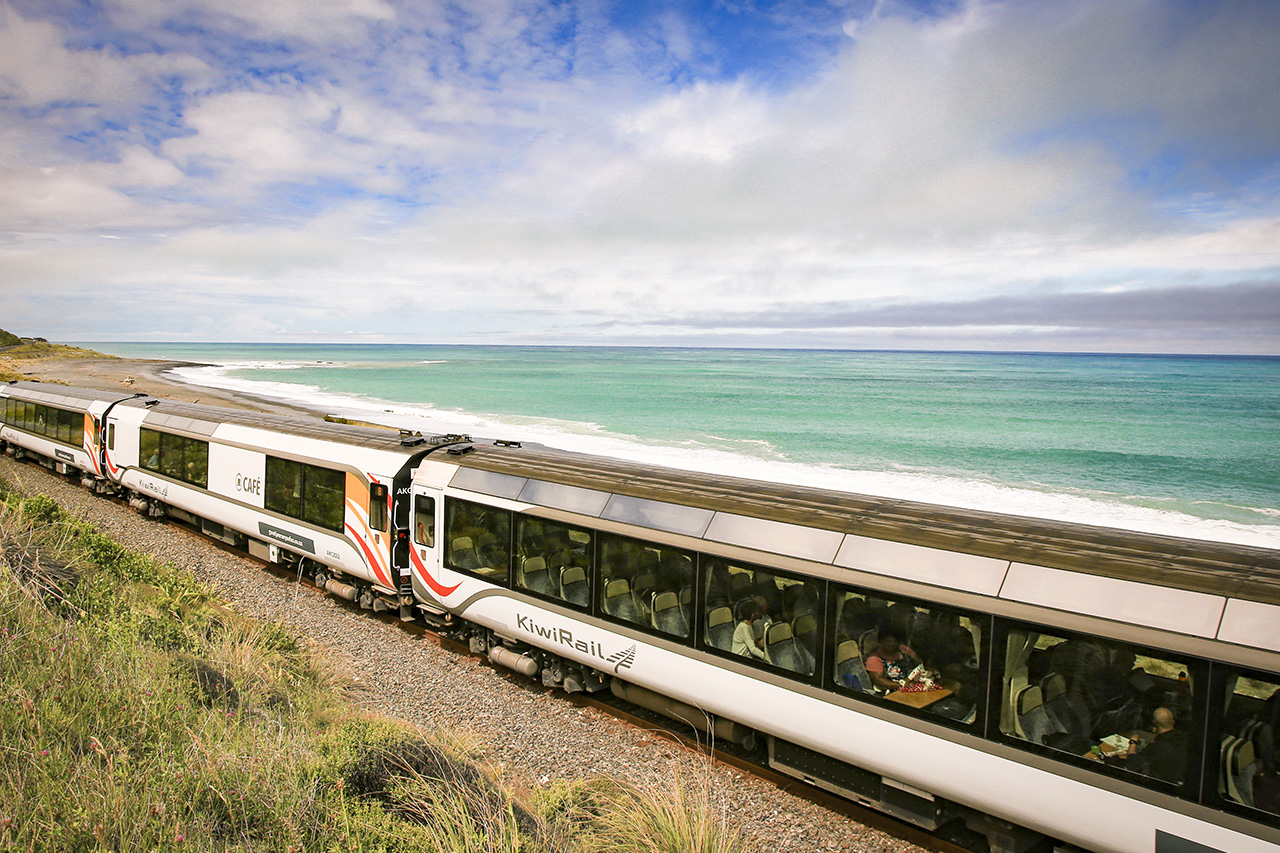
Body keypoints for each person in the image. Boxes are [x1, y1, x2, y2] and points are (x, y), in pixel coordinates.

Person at [1124, 707, 1187, 785]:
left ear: (1154, 723)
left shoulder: (1156, 748)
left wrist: (1133, 741)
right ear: (1173, 722)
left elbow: (1132, 763)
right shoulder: (1185, 739)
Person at [865, 627, 919, 692]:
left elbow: (919, 662)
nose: (892, 644)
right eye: (889, 641)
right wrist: (903, 684)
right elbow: (879, 681)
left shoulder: (903, 649)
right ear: (881, 642)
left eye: (895, 641)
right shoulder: (874, 659)